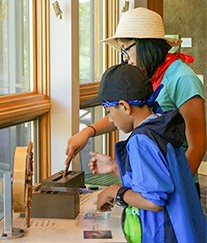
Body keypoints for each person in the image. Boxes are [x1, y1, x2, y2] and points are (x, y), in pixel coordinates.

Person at [65, 7, 206, 194]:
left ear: (144, 45)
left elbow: (198, 144)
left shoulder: (182, 78)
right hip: (154, 185)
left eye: (126, 50)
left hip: (175, 186)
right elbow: (126, 114)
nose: (126, 59)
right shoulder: (147, 74)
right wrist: (88, 132)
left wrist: (175, 190)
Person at [85, 63, 206, 243]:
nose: (110, 119)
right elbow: (158, 179)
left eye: (109, 112)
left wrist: (115, 191)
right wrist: (115, 167)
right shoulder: (160, 126)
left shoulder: (141, 140)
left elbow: (154, 201)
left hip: (166, 235)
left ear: (125, 107)